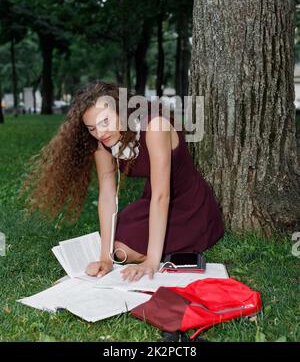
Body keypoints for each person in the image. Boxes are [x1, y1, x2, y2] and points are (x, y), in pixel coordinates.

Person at [19, 80, 224, 283]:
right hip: (151, 201)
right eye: (91, 128)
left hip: (188, 204)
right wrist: (105, 259)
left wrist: (152, 261)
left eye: (104, 122)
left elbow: (163, 196)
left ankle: (165, 250)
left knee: (127, 251)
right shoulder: (102, 144)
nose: (100, 133)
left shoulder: (154, 127)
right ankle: (146, 248)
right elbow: (107, 196)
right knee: (116, 249)